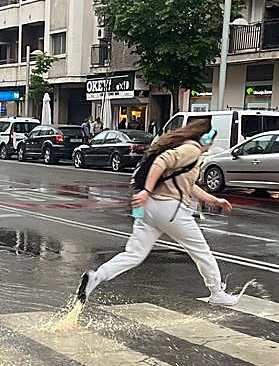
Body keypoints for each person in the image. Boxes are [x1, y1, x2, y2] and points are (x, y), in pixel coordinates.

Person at [77, 120, 238, 307]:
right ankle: (217, 292)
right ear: (204, 138)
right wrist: (147, 189)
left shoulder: (187, 152)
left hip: (147, 207)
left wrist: (214, 200)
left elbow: (189, 186)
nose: (211, 145)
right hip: (169, 209)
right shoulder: (191, 149)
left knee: (134, 254)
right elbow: (162, 162)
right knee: (201, 252)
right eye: (210, 139)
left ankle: (96, 277)